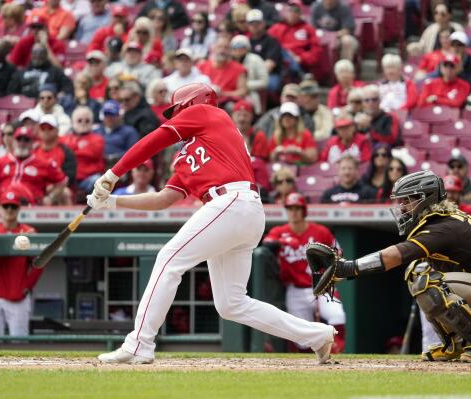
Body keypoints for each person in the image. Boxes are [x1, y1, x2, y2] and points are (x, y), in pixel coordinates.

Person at [88, 83, 337, 364]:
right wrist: (111, 202)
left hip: (232, 201)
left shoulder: (208, 113)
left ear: (191, 103)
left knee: (168, 259)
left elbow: (154, 140)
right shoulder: (191, 152)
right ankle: (317, 335)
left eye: (176, 110)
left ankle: (139, 344)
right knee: (231, 303)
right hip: (239, 212)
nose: (174, 116)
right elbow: (162, 199)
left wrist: (113, 173)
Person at [309, 170, 471, 362]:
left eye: (407, 201)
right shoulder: (441, 220)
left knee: (429, 281)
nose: (402, 207)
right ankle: (456, 343)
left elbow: (395, 255)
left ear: (424, 199)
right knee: (418, 273)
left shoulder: (443, 226)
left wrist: (347, 268)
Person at [263, 192, 346, 353]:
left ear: (304, 210)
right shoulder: (279, 232)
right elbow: (266, 245)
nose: (293, 212)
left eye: (297, 208)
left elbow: (339, 254)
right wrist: (282, 241)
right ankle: (308, 366)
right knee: (301, 339)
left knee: (337, 315)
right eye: (290, 208)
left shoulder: (320, 231)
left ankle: (337, 352)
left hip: (322, 286)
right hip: (296, 289)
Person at [0, 187, 43, 336]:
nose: (9, 210)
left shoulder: (29, 231)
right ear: (0, 207)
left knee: (19, 345)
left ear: (19, 208)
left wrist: (27, 285)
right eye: (6, 206)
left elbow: (39, 264)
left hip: (17, 296)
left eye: (13, 206)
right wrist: (15, 241)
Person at [0, 127, 68, 205]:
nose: (22, 143)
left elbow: (62, 181)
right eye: (19, 139)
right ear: (13, 141)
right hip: (4, 203)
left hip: (31, 205)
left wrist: (50, 198)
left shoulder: (43, 163)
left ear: (32, 143)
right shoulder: (0, 162)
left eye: (26, 140)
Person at [268, 1, 321, 78]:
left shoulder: (308, 29)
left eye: (296, 11)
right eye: (290, 10)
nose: (293, 14)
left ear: (300, 14)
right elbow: (267, 45)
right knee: (282, 50)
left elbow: (316, 50)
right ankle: (302, 76)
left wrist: (301, 58)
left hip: (300, 63)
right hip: (278, 63)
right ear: (286, 12)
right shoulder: (276, 28)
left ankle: (299, 74)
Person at [60, 107, 105, 194]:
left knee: (98, 181)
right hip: (67, 179)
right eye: (79, 120)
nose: (83, 123)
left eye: (87, 121)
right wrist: (80, 150)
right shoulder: (63, 139)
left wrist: (72, 150)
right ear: (72, 122)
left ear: (92, 123)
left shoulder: (98, 139)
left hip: (88, 179)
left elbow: (92, 154)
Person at [7, 44, 73, 99]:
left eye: (41, 52)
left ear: (46, 55)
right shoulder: (20, 73)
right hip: (24, 106)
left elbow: (68, 86)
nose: (38, 55)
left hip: (48, 105)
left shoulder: (55, 72)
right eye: (35, 52)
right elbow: (11, 92)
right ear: (31, 54)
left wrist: (61, 94)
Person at [33, 114, 77, 192]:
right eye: (43, 128)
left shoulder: (66, 152)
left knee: (66, 192)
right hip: (37, 187)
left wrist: (53, 187)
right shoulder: (33, 151)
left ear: (57, 130)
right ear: (39, 131)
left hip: (58, 189)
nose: (46, 131)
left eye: (50, 128)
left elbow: (69, 178)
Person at [198, 40, 248, 106]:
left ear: (230, 51)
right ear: (213, 49)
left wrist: (223, 94)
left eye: (226, 48)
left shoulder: (239, 69)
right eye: (219, 47)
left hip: (225, 103)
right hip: (203, 101)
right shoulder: (202, 66)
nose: (222, 50)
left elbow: (243, 91)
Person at [247, 9, 284, 93]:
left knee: (269, 85)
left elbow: (270, 65)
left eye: (257, 23)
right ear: (247, 25)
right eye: (251, 23)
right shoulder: (247, 41)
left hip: (269, 74)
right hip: (250, 75)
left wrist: (253, 78)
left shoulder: (272, 41)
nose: (255, 25)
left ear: (263, 23)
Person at [229, 35, 268, 114]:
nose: (238, 49)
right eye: (235, 47)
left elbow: (264, 82)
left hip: (250, 93)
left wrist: (245, 86)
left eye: (241, 46)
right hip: (231, 92)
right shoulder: (229, 61)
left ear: (247, 48)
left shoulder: (255, 59)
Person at [95, 100, 139, 165]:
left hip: (120, 166)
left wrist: (114, 157)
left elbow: (133, 152)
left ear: (119, 115)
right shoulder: (96, 131)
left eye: (112, 114)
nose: (109, 118)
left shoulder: (129, 131)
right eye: (106, 114)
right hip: (98, 166)